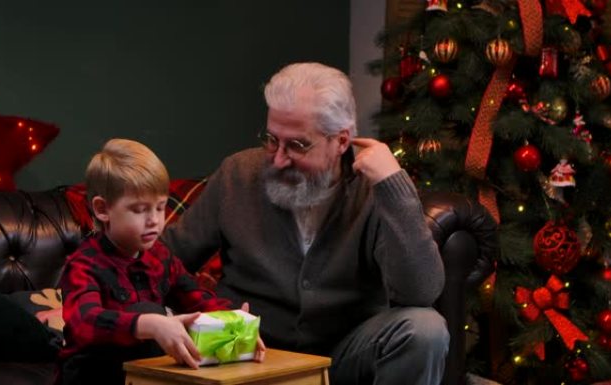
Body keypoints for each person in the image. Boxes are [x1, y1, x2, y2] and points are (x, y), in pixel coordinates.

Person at [163, 62, 449, 385]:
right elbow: (162, 262)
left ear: (341, 141)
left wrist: (395, 189)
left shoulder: (372, 188)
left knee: (425, 329)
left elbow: (420, 292)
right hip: (252, 358)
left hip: (342, 355)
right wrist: (173, 320)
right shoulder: (237, 175)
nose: (279, 158)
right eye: (272, 139)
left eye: (297, 145)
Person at [57, 138, 266, 385]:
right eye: (139, 210)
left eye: (159, 207)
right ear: (103, 209)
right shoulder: (84, 264)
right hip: (90, 374)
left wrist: (233, 320)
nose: (154, 220)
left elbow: (195, 296)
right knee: (147, 313)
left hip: (141, 371)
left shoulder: (160, 256)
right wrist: (149, 324)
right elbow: (85, 320)